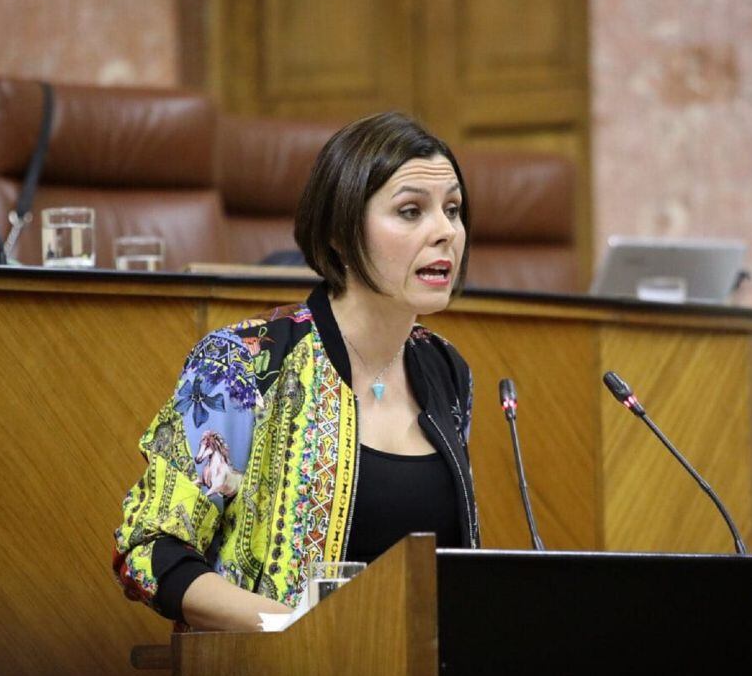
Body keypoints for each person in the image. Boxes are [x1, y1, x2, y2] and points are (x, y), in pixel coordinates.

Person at [112, 112, 480, 631]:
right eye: (411, 210)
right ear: (338, 233)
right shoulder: (244, 364)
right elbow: (148, 550)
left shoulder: (446, 370)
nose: (445, 232)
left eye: (453, 210)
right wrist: (298, 634)